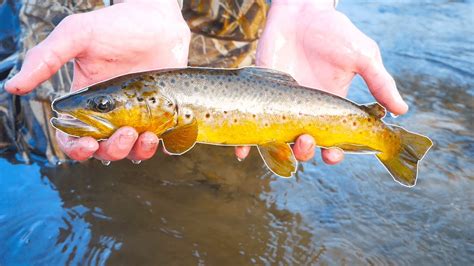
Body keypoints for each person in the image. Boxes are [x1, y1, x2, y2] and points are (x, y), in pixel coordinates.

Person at [5, 0, 408, 166]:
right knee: (46, 145)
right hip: (117, 11)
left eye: (103, 105)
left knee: (236, 184)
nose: (98, 106)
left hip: (239, 18)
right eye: (104, 106)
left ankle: (389, 144)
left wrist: (306, 5)